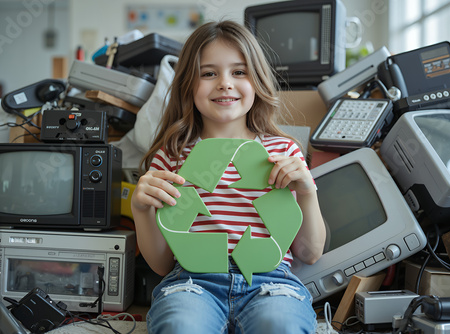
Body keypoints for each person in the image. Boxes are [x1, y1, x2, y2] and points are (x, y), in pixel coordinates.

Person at [131, 20, 327, 334]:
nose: (224, 83)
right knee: (180, 325)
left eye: (239, 72)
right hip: (192, 281)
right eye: (209, 73)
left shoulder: (283, 151)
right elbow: (162, 264)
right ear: (188, 84)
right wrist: (141, 211)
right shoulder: (173, 154)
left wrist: (307, 192)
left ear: (258, 80)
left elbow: (309, 253)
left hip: (271, 281)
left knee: (281, 325)